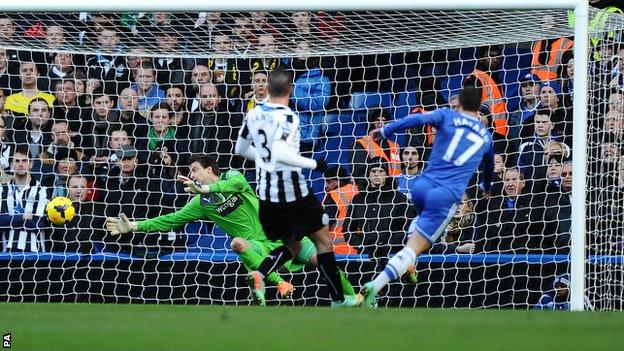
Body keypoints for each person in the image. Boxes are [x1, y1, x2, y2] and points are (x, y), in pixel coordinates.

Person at [106, 154, 359, 304]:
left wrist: (205, 188)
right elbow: (171, 220)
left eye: (195, 170)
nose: (192, 175)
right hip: (257, 245)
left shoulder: (233, 177)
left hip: (282, 236)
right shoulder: (201, 203)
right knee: (237, 242)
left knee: (323, 259)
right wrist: (135, 226)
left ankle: (354, 299)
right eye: (190, 172)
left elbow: (233, 185)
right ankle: (281, 283)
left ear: (210, 170)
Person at [360, 85, 495, 307]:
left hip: (422, 185)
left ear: (458, 104)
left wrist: (386, 131)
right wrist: (486, 187)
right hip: (445, 195)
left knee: (419, 233)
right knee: (414, 246)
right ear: (479, 107)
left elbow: (417, 121)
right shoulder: (486, 137)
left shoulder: (446, 115)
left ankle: (410, 260)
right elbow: (488, 166)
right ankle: (376, 285)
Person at [234, 68, 359, 307]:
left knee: (293, 245)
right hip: (292, 190)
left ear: (268, 89)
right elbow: (281, 152)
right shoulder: (289, 116)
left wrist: (264, 159)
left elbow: (240, 150)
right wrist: (315, 163)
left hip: (266, 195)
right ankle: (338, 299)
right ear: (291, 90)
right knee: (323, 243)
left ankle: (260, 274)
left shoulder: (254, 114)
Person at [0, 146, 50, 252]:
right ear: (12, 165)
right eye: (17, 161)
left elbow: (40, 223)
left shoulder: (42, 190)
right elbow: (1, 221)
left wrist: (11, 219)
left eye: (24, 160)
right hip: (8, 252)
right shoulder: (3, 189)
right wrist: (23, 216)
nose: (21, 164)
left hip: (36, 253)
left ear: (31, 164)